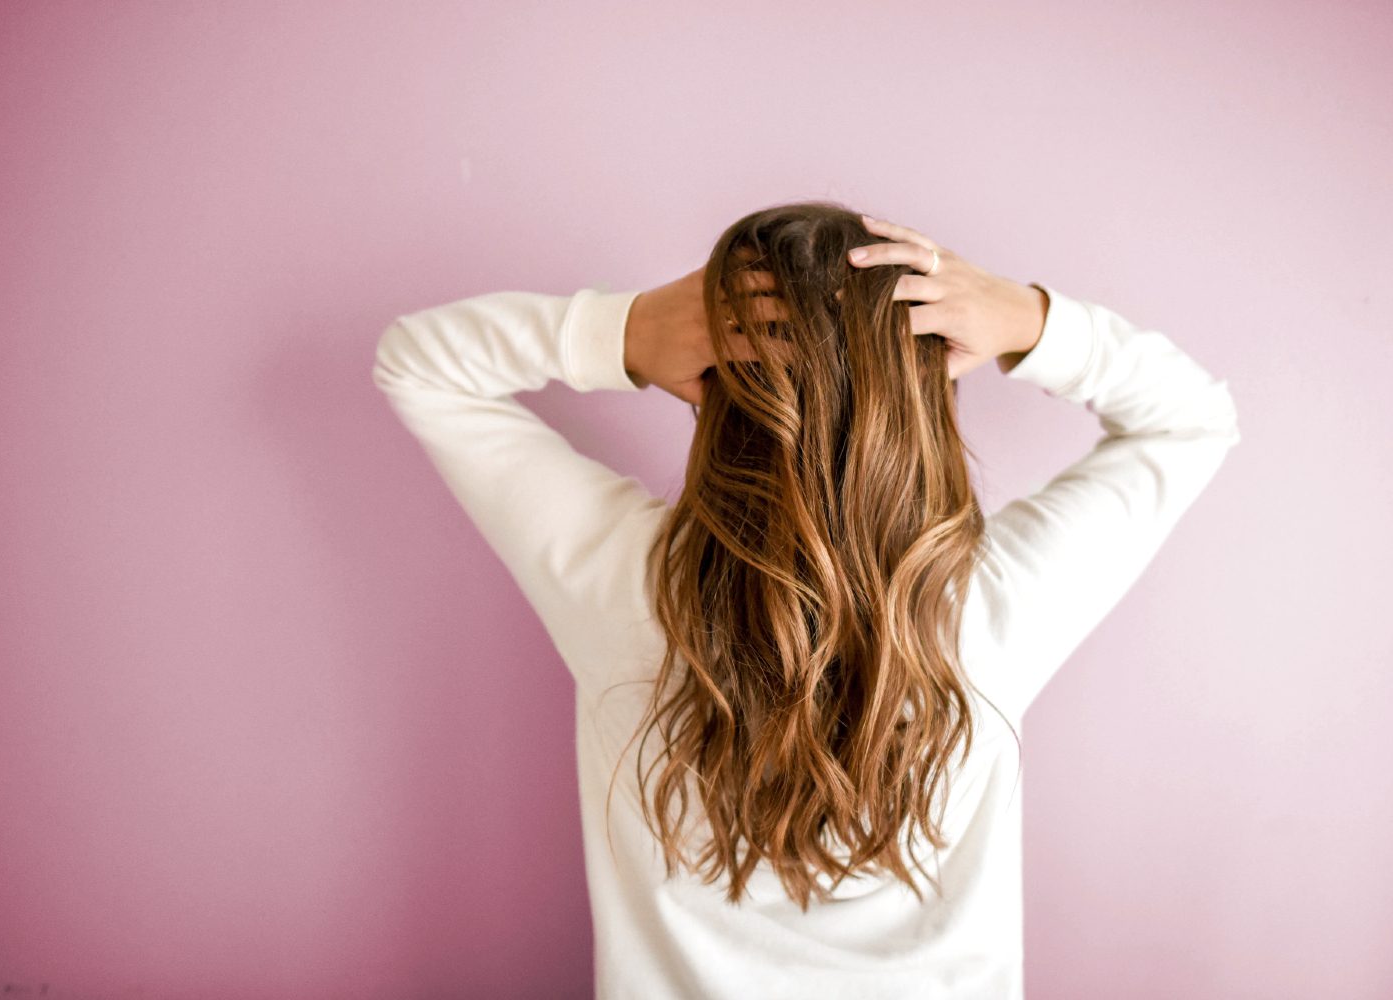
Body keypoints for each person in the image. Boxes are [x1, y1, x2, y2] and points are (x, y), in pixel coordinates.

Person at [371, 201, 1241, 999]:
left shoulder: (628, 587)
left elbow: (418, 364)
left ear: (710, 384)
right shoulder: (989, 608)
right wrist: (1027, 320)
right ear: (930, 396)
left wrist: (624, 331)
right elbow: (1192, 419)